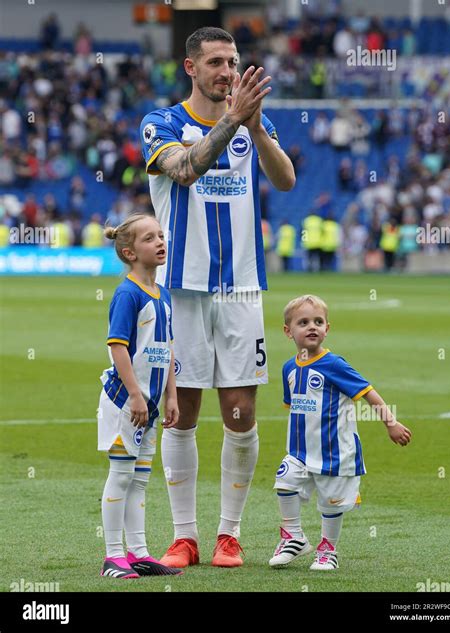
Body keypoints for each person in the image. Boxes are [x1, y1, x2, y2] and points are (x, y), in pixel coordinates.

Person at [140, 26, 295, 568]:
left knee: (240, 411)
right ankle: (185, 536)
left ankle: (229, 534)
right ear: (191, 67)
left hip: (241, 287)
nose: (228, 71)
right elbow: (185, 170)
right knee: (180, 413)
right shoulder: (161, 123)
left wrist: (258, 128)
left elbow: (286, 180)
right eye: (216, 62)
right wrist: (234, 120)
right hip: (180, 287)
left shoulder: (250, 120)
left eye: (232, 61)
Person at [269, 295, 412, 570]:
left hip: (335, 451)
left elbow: (369, 393)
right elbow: (295, 407)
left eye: (318, 322)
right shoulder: (289, 368)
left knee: (331, 503)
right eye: (303, 322)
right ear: (288, 331)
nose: (312, 327)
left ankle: (328, 550)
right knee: (285, 481)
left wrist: (391, 423)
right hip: (300, 451)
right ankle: (293, 537)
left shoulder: (334, 365)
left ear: (327, 328)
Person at [98, 213, 182, 579]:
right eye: (150, 239)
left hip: (148, 406)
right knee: (120, 475)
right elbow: (118, 347)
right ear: (130, 252)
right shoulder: (127, 293)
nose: (160, 242)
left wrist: (171, 397)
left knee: (140, 479)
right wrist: (134, 394)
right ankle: (113, 556)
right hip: (125, 403)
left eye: (160, 236)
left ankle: (139, 552)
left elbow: (167, 348)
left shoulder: (162, 294)